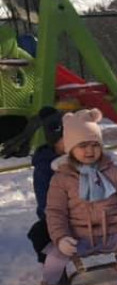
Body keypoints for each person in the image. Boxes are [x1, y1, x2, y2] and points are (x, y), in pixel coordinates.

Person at [27, 109, 117, 285]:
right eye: (82, 146)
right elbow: (55, 211)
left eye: (95, 145)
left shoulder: (113, 171)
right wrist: (61, 237)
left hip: (113, 232)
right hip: (79, 236)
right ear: (70, 148)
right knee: (54, 258)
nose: (89, 151)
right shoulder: (61, 178)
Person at [26, 107, 65, 263]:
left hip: (90, 214)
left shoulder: (85, 156)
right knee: (39, 233)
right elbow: (44, 201)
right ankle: (53, 272)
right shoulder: (45, 166)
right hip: (59, 216)